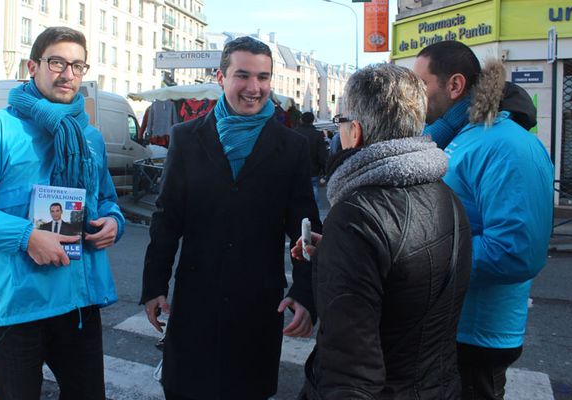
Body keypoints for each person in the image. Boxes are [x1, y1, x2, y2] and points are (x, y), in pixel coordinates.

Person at [0, 26, 124, 399]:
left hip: (80, 302)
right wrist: (26, 236)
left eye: (78, 66)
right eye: (57, 62)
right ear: (32, 66)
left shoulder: (90, 137)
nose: (67, 74)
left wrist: (113, 221)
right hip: (18, 308)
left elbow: (104, 198)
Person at [141, 36, 321, 400]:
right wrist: (153, 285)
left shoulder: (292, 148)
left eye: (263, 77)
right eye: (243, 75)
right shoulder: (186, 137)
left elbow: (305, 230)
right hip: (195, 300)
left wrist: (304, 291)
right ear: (221, 77)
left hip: (257, 304)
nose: (254, 88)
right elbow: (167, 218)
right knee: (186, 389)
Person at [292, 64, 472, 399]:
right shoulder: (445, 195)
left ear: (355, 132)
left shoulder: (356, 217)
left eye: (341, 122)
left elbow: (350, 372)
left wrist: (344, 248)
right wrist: (335, 255)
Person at [412, 41, 554, 399]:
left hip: (476, 338)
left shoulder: (506, 144)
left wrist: (417, 259)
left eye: (421, 83)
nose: (414, 94)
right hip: (449, 327)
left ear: (455, 85)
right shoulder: (464, 137)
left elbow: (515, 252)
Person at [295, 112, 328, 204]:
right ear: (313, 121)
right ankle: (313, 213)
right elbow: (322, 154)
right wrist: (325, 171)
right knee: (314, 189)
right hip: (313, 169)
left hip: (296, 169)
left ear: (301, 120)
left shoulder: (294, 133)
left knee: (297, 191)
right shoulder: (318, 135)